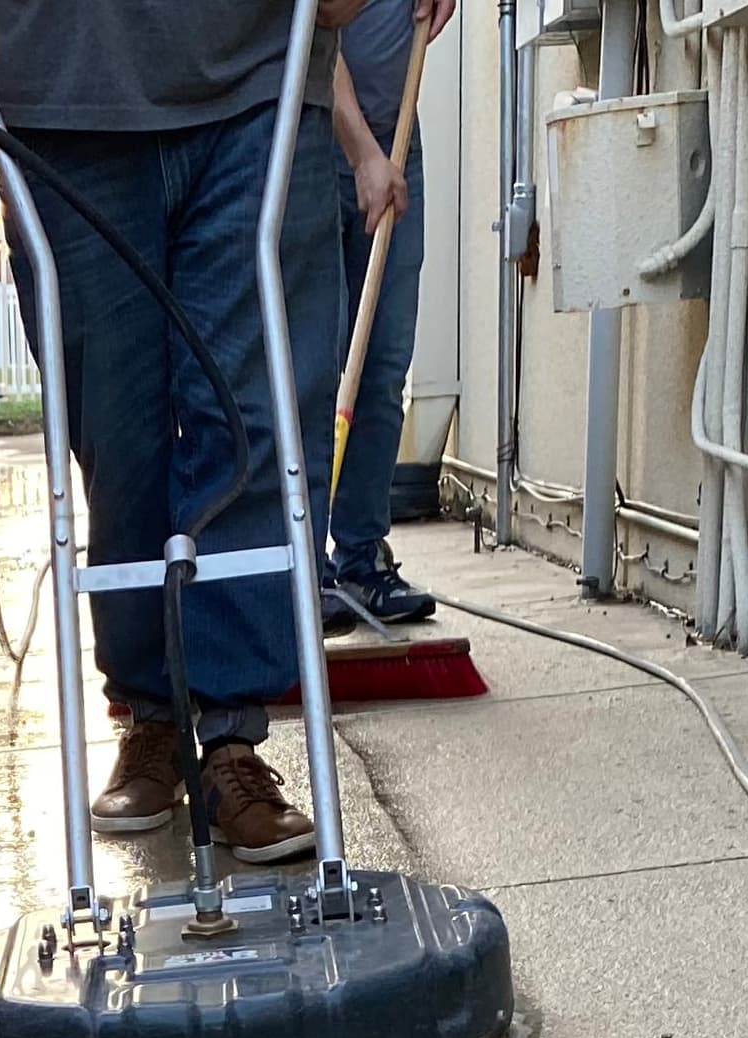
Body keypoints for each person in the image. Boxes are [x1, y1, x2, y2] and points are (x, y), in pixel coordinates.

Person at [0, 0, 374, 866]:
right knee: (116, 435)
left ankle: (233, 739)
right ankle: (150, 717)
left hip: (257, 72)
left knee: (250, 420)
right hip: (68, 91)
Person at [322, 0, 453, 629]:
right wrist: (362, 155)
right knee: (313, 366)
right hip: (310, 141)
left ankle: (361, 558)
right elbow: (307, 32)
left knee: (383, 365)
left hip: (400, 140)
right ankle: (299, 563)